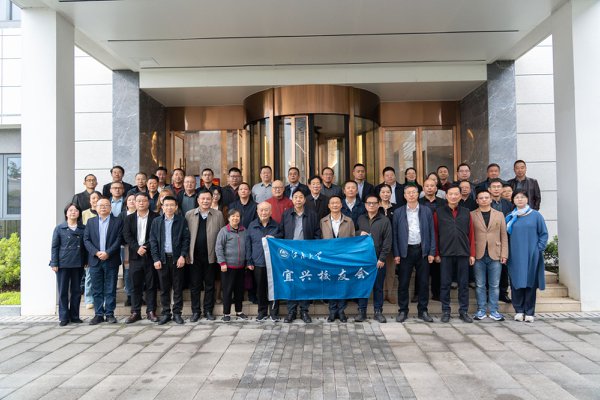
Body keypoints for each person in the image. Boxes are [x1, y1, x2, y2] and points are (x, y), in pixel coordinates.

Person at [392, 186, 436, 323]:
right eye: (408, 193)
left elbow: (432, 231)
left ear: (418, 194)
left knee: (423, 283)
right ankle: (403, 311)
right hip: (405, 252)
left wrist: (431, 252)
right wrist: (396, 254)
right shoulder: (398, 212)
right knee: (403, 283)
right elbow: (395, 234)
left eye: (413, 192)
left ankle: (423, 311)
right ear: (404, 195)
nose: (411, 195)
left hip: (422, 250)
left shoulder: (426, 210)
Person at [434, 185, 476, 323]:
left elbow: (471, 233)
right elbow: (435, 233)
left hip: (463, 253)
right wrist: (436, 253)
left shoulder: (466, 212)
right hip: (445, 253)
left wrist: (472, 254)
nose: (453, 196)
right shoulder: (439, 212)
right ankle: (446, 311)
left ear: (460, 196)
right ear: (446, 196)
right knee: (445, 283)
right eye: (450, 194)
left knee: (463, 284)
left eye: (456, 194)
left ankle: (463, 311)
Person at [278, 190, 321, 323]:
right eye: (295, 197)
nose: (298, 199)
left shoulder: (312, 214)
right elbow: (281, 232)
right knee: (291, 282)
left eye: (300, 197)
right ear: (292, 200)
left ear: (304, 200)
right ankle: (291, 311)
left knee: (305, 282)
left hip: (305, 254)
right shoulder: (286, 214)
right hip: (290, 254)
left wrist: (312, 250)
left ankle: (304, 311)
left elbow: (317, 233)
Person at [506, 190, 548, 323]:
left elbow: (543, 234)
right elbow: (505, 236)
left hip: (532, 254)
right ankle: (519, 310)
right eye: (517, 197)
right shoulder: (510, 217)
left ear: (527, 199)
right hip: (515, 255)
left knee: (530, 283)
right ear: (513, 200)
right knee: (516, 283)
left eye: (522, 197)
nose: (520, 199)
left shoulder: (536, 215)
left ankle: (529, 312)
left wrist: (538, 249)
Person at [150, 196, 190, 325]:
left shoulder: (181, 221)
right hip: (162, 259)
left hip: (177, 259)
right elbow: (153, 241)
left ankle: (177, 313)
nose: (169, 207)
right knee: (164, 288)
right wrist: (156, 258)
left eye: (172, 205)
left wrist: (183, 256)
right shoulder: (156, 221)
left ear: (176, 207)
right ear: (162, 207)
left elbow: (186, 239)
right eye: (166, 205)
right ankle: (166, 313)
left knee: (177, 288)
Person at [185, 190, 225, 321]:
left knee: (210, 285)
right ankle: (196, 311)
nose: (205, 201)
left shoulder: (218, 214)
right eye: (203, 199)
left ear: (212, 199)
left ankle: (208, 310)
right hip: (194, 256)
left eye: (208, 198)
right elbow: (185, 236)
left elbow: (222, 236)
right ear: (198, 200)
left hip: (211, 256)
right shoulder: (189, 214)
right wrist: (186, 254)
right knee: (195, 285)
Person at [83, 197, 124, 325]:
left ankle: (110, 313)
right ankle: (99, 314)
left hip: (111, 259)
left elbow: (119, 239)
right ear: (96, 208)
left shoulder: (118, 221)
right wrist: (96, 252)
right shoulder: (91, 222)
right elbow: (86, 240)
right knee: (96, 289)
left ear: (110, 208)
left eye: (106, 205)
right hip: (95, 260)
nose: (103, 207)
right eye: (100, 205)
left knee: (110, 288)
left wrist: (108, 252)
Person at [122, 193, 160, 323]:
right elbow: (127, 235)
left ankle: (151, 311)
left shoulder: (156, 217)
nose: (141, 203)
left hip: (151, 256)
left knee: (151, 284)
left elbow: (156, 235)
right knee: (135, 285)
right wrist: (137, 247)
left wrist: (146, 247)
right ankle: (135, 312)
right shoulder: (129, 218)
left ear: (148, 202)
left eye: (144, 200)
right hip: (135, 256)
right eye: (138, 201)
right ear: (134, 203)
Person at [471, 189, 509, 322]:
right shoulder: (472, 215)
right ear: (477, 200)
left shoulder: (499, 215)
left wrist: (504, 254)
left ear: (491, 199)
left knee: (494, 285)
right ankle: (481, 310)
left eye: (486, 197)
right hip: (478, 254)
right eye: (481, 198)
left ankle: (494, 311)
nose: (484, 200)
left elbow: (504, 235)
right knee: (480, 284)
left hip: (495, 254)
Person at [356, 193, 392, 323]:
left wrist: (382, 258)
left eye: (374, 203)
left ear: (379, 205)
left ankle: (378, 311)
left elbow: (388, 241)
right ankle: (362, 311)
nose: (371, 205)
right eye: (369, 203)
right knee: (362, 286)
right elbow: (352, 233)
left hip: (378, 260)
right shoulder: (360, 218)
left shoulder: (384, 220)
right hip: (362, 259)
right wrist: (359, 233)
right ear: (365, 205)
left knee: (378, 287)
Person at [50, 203, 87, 326]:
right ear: (66, 213)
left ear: (79, 213)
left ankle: (75, 316)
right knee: (63, 291)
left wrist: (86, 261)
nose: (73, 212)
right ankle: (64, 317)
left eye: (76, 210)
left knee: (76, 291)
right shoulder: (59, 228)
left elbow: (86, 246)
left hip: (78, 263)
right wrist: (54, 262)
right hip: (63, 263)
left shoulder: (83, 228)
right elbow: (54, 247)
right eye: (70, 210)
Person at [320, 195, 355, 323]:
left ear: (341, 205)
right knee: (331, 283)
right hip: (328, 258)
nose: (335, 205)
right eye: (332, 203)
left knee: (342, 283)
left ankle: (341, 311)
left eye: (337, 203)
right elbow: (320, 239)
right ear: (329, 206)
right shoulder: (323, 221)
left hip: (344, 258)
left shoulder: (349, 221)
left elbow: (352, 239)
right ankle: (332, 310)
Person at [246, 202, 281, 321]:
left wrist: (275, 239)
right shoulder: (252, 225)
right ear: (257, 211)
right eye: (261, 210)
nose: (263, 212)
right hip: (258, 262)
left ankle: (274, 312)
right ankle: (262, 312)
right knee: (260, 288)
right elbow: (248, 244)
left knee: (274, 288)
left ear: (271, 212)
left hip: (273, 263)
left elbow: (282, 241)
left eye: (266, 210)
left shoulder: (276, 226)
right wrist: (249, 260)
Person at [216, 209, 248, 322]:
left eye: (237, 216)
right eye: (233, 216)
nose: (235, 218)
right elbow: (219, 248)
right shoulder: (224, 231)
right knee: (227, 290)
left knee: (239, 290)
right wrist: (222, 262)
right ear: (229, 218)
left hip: (241, 266)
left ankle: (239, 311)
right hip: (228, 267)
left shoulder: (244, 230)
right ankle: (226, 313)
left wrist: (247, 262)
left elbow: (247, 246)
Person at [419, 179, 446, 302]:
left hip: (439, 235)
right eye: (427, 186)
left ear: (436, 188)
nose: (429, 188)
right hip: (421, 237)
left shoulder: (443, 202)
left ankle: (437, 293)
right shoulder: (418, 202)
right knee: (421, 268)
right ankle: (418, 293)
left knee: (437, 267)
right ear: (423, 188)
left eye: (432, 186)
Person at [378, 184, 399, 304]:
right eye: (383, 192)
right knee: (379, 271)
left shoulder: (396, 208)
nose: (385, 194)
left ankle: (389, 294)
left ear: (391, 193)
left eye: (388, 192)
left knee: (390, 271)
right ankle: (380, 294)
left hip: (391, 244)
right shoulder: (375, 207)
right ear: (379, 194)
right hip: (378, 245)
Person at [81, 190, 102, 310]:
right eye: (93, 198)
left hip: (103, 249)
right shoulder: (84, 214)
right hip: (90, 249)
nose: (95, 200)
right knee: (89, 276)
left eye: (97, 198)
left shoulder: (105, 213)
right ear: (89, 201)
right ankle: (89, 299)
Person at [122, 193, 137, 306]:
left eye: (134, 199)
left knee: (139, 271)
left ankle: (139, 295)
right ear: (126, 203)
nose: (132, 201)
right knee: (127, 272)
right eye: (129, 200)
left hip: (140, 247)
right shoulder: (122, 215)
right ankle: (129, 295)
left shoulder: (141, 214)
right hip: (126, 247)